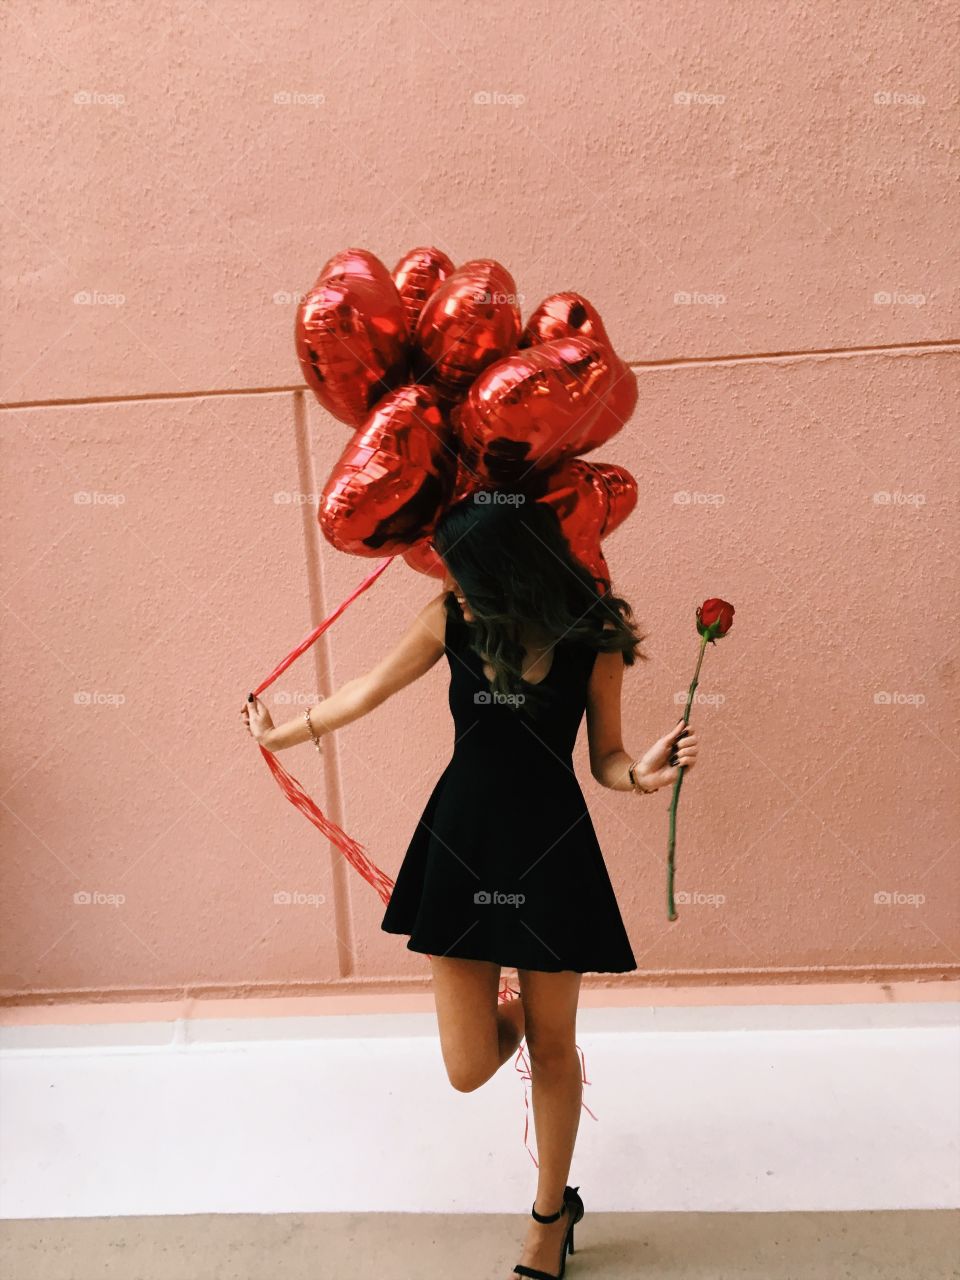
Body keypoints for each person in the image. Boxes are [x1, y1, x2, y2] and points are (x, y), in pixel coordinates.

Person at [241, 490, 700, 1280]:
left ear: (506, 562)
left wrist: (641, 777)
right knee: (466, 1068)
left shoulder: (592, 636)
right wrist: (283, 732)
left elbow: (606, 757)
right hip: (460, 848)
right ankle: (530, 1013)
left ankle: (550, 1216)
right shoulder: (448, 620)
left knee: (555, 1051)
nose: (446, 578)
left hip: (552, 853)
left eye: (459, 565)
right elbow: (368, 690)